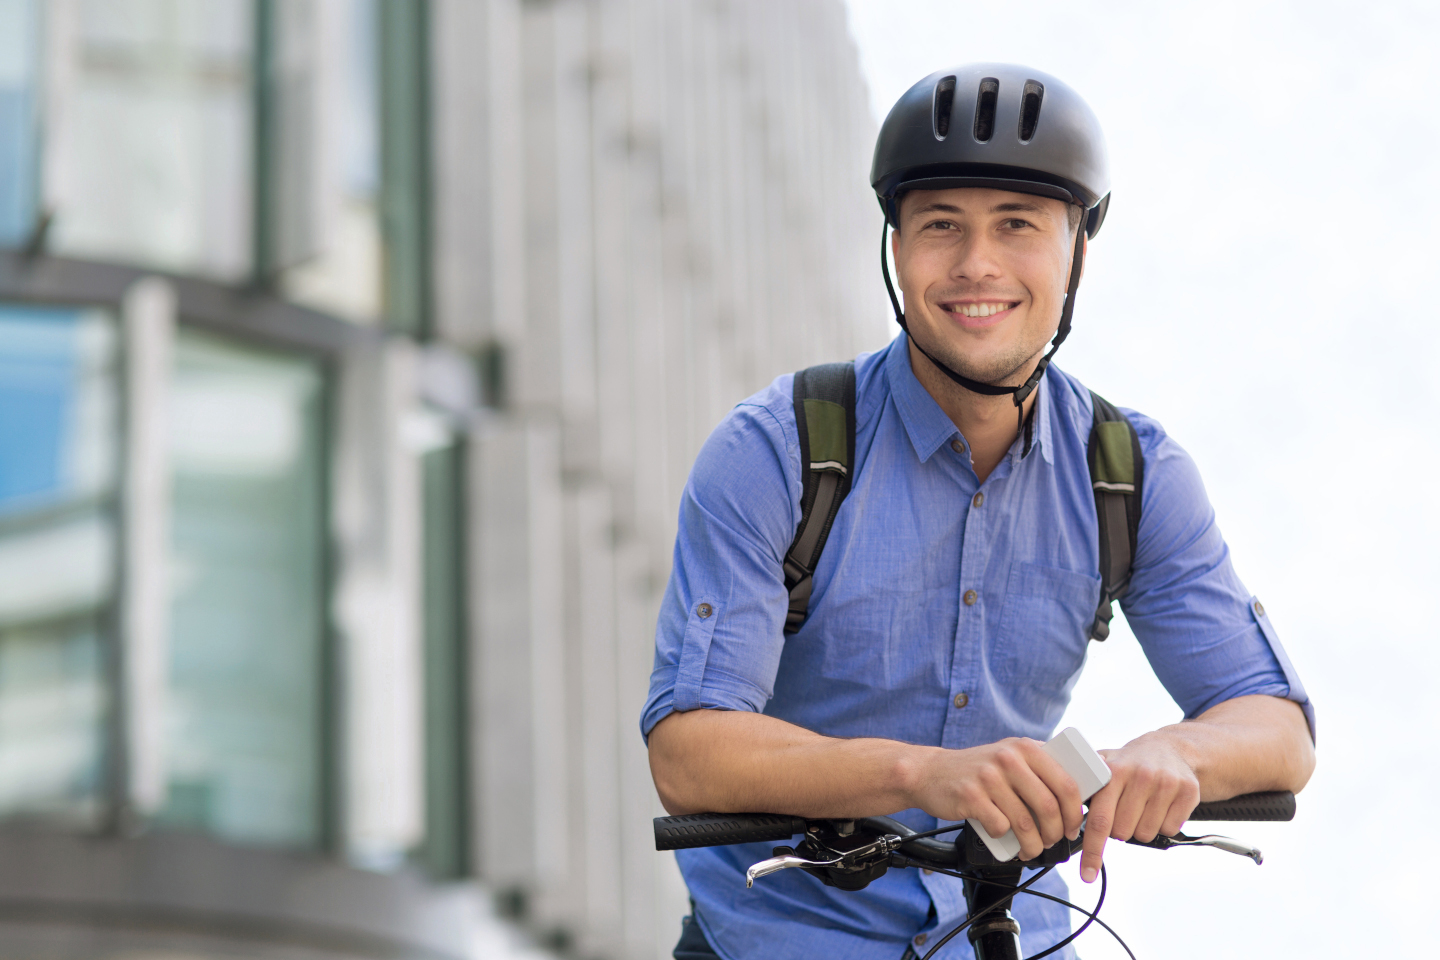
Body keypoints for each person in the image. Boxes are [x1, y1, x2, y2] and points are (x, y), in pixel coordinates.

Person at [640, 64, 1315, 960]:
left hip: (1018, 933)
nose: (976, 265)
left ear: (1079, 248)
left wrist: (1176, 754)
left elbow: (1277, 726)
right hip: (786, 936)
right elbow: (691, 754)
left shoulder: (1133, 472)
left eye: (1018, 226)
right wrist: (926, 774)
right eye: (941, 225)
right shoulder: (778, 452)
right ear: (894, 246)